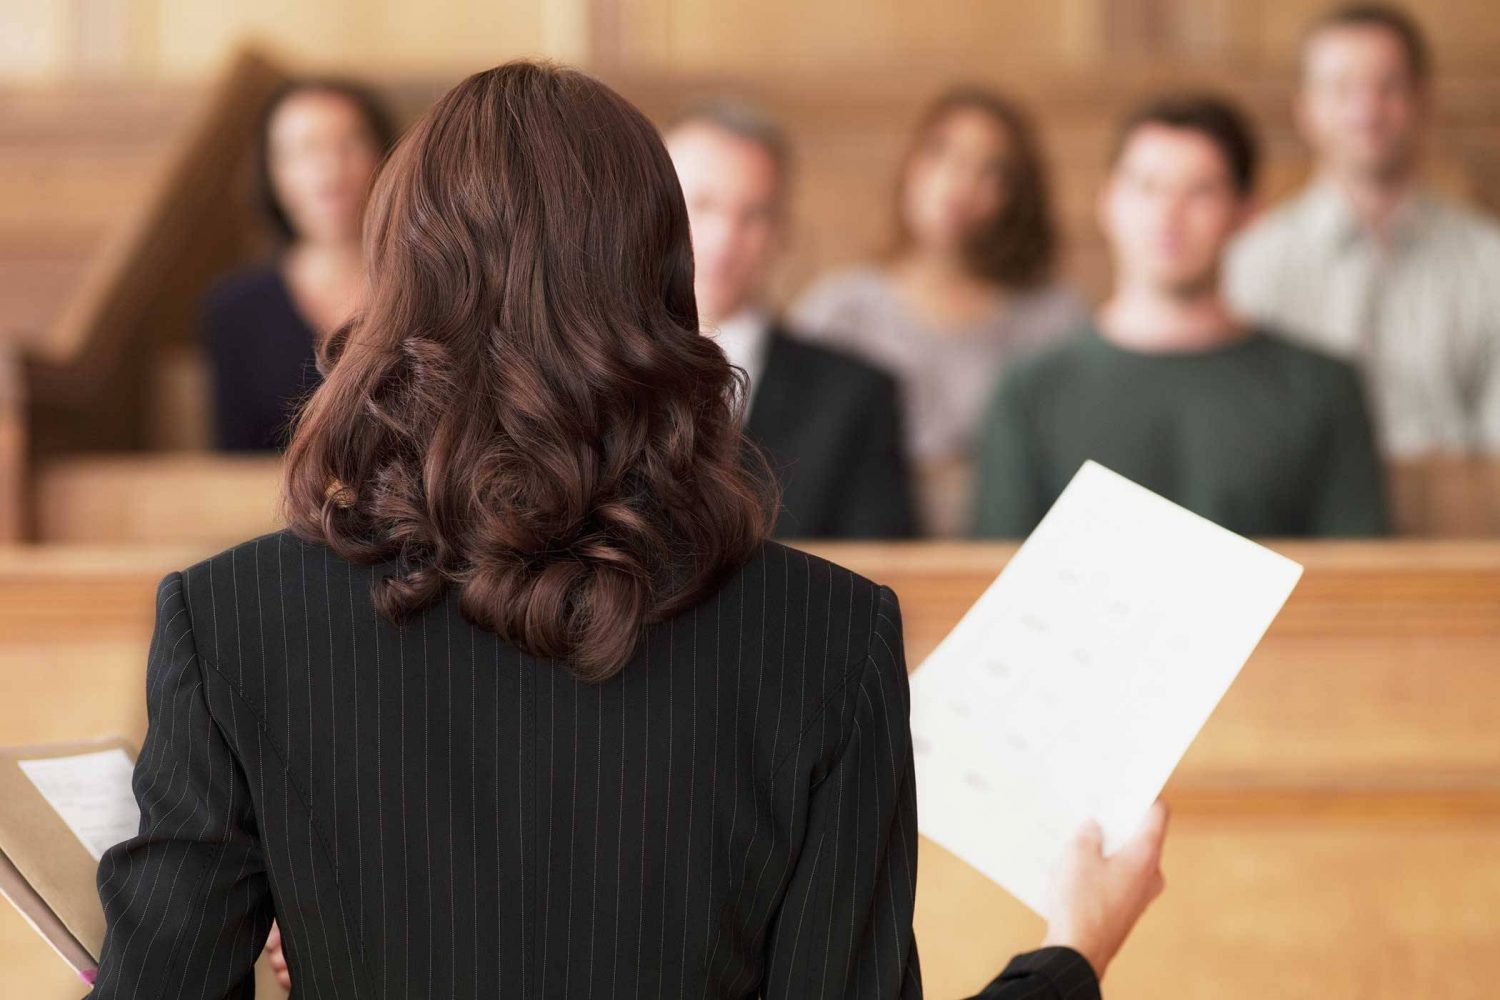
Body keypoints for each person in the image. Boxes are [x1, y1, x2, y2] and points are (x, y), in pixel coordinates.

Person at [85, 62, 1167, 999]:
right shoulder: (830, 638)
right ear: (665, 282)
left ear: (398, 282)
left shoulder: (227, 619)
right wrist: (1073, 950)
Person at [974, 94, 1388, 539]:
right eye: (1146, 187)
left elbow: (1358, 581)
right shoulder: (1029, 390)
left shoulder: (1323, 388)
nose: (1168, 215)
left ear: (1246, 212)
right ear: (1108, 201)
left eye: (1200, 192)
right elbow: (991, 577)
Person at [791, 87, 1089, 536]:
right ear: (910, 164)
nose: (959, 184)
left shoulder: (1054, 318)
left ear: (1017, 197)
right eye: (941, 154)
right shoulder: (839, 310)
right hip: (866, 557)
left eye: (992, 171)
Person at [1227, 3, 1500, 455]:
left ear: (1423, 100)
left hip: (1461, 516)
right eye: (1341, 88)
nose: (1366, 109)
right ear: (1305, 109)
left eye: (1388, 86)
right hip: (1294, 521)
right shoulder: (1250, 263)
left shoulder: (1490, 261)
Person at [664, 100, 916, 539]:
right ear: (656, 214)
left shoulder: (857, 396)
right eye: (701, 205)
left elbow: (885, 570)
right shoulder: (592, 374)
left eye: (754, 215)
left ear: (783, 231)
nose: (725, 238)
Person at [202, 78, 396, 451]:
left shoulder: (426, 285)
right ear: (272, 174)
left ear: (386, 158)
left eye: (349, 144)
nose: (331, 171)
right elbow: (230, 461)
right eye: (306, 150)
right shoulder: (235, 308)